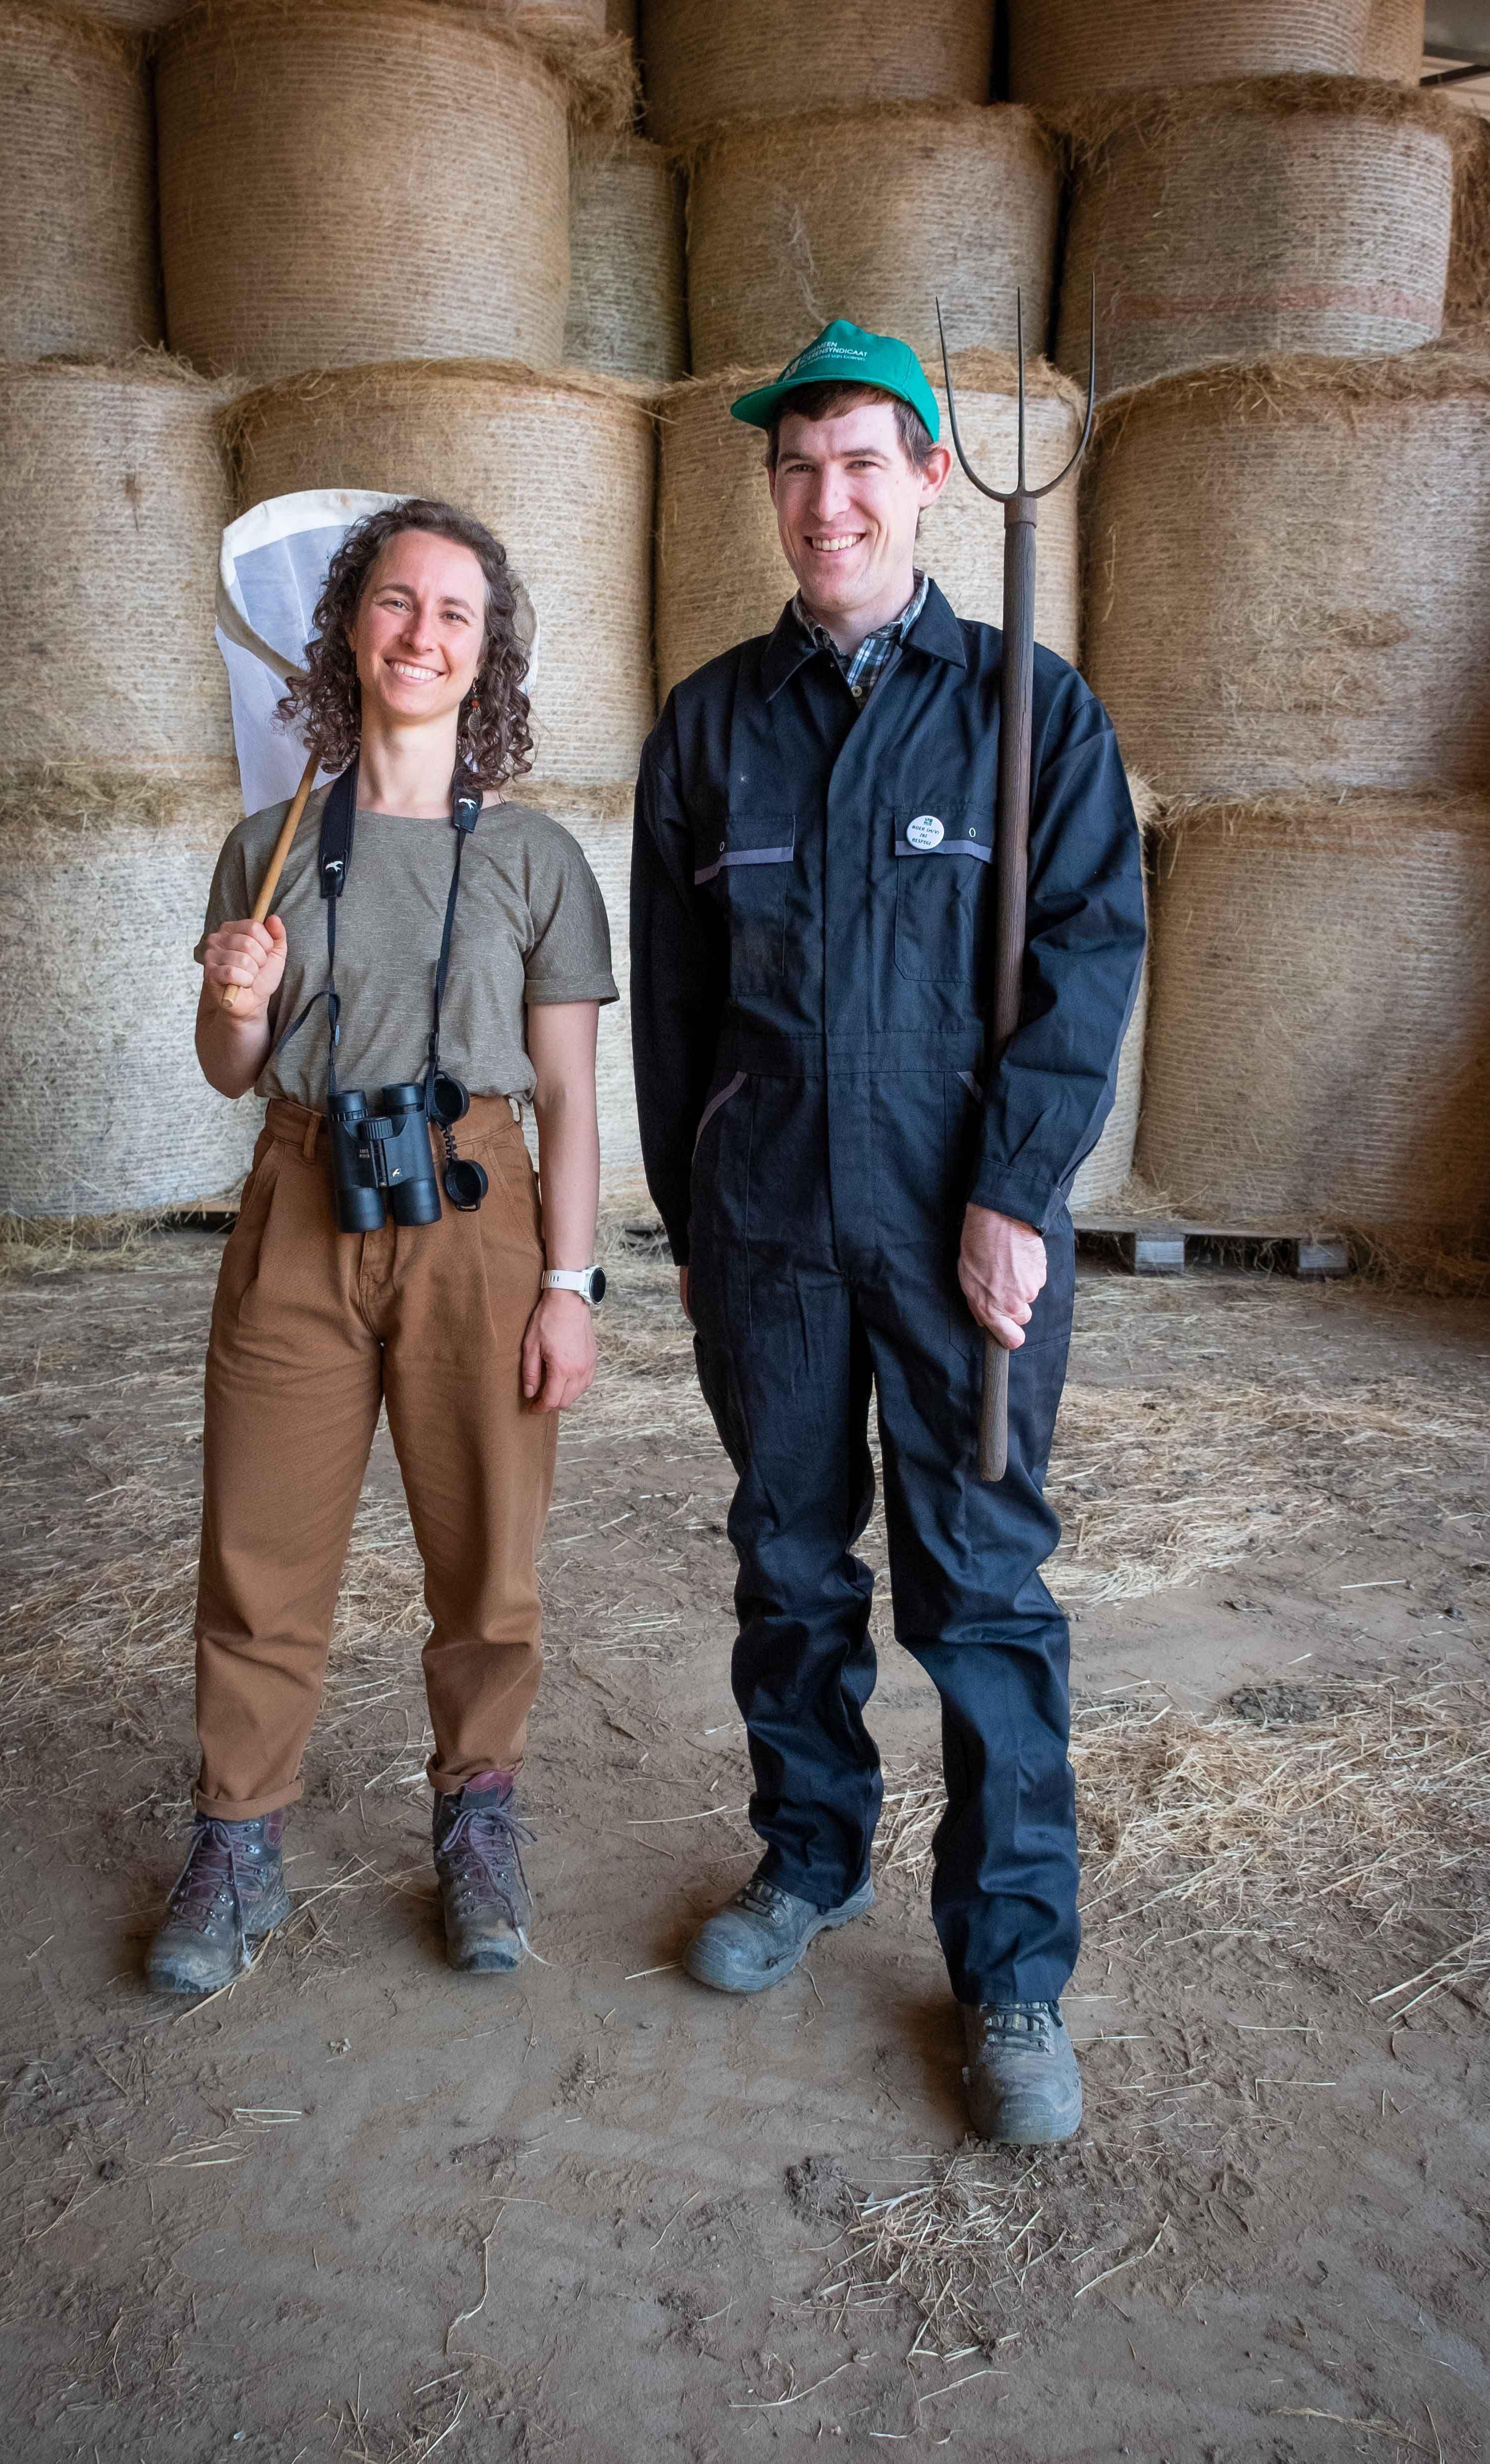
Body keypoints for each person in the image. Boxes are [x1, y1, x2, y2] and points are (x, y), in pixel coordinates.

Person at [630, 321, 1145, 2144]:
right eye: (797, 465)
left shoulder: (1031, 710)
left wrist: (1016, 1189)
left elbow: (1087, 963)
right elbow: (673, 1001)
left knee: (984, 1595)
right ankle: (808, 1856)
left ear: (931, 475)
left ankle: (1012, 1970)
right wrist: (692, 1218)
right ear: (771, 493)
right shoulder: (708, 726)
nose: (827, 495)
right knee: (788, 1562)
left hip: (958, 1234)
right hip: (766, 1232)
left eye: (862, 460)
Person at [147, 499, 617, 1993]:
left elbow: (564, 1094)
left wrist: (570, 1283)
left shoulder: (538, 858)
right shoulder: (267, 844)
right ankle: (238, 1838)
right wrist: (236, 997)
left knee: (489, 1551)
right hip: (301, 1200)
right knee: (259, 1545)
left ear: (490, 656)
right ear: (352, 625)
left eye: (457, 615)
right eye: (398, 603)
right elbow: (233, 1070)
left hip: (478, 1211)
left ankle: (477, 1814)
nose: (424, 633)